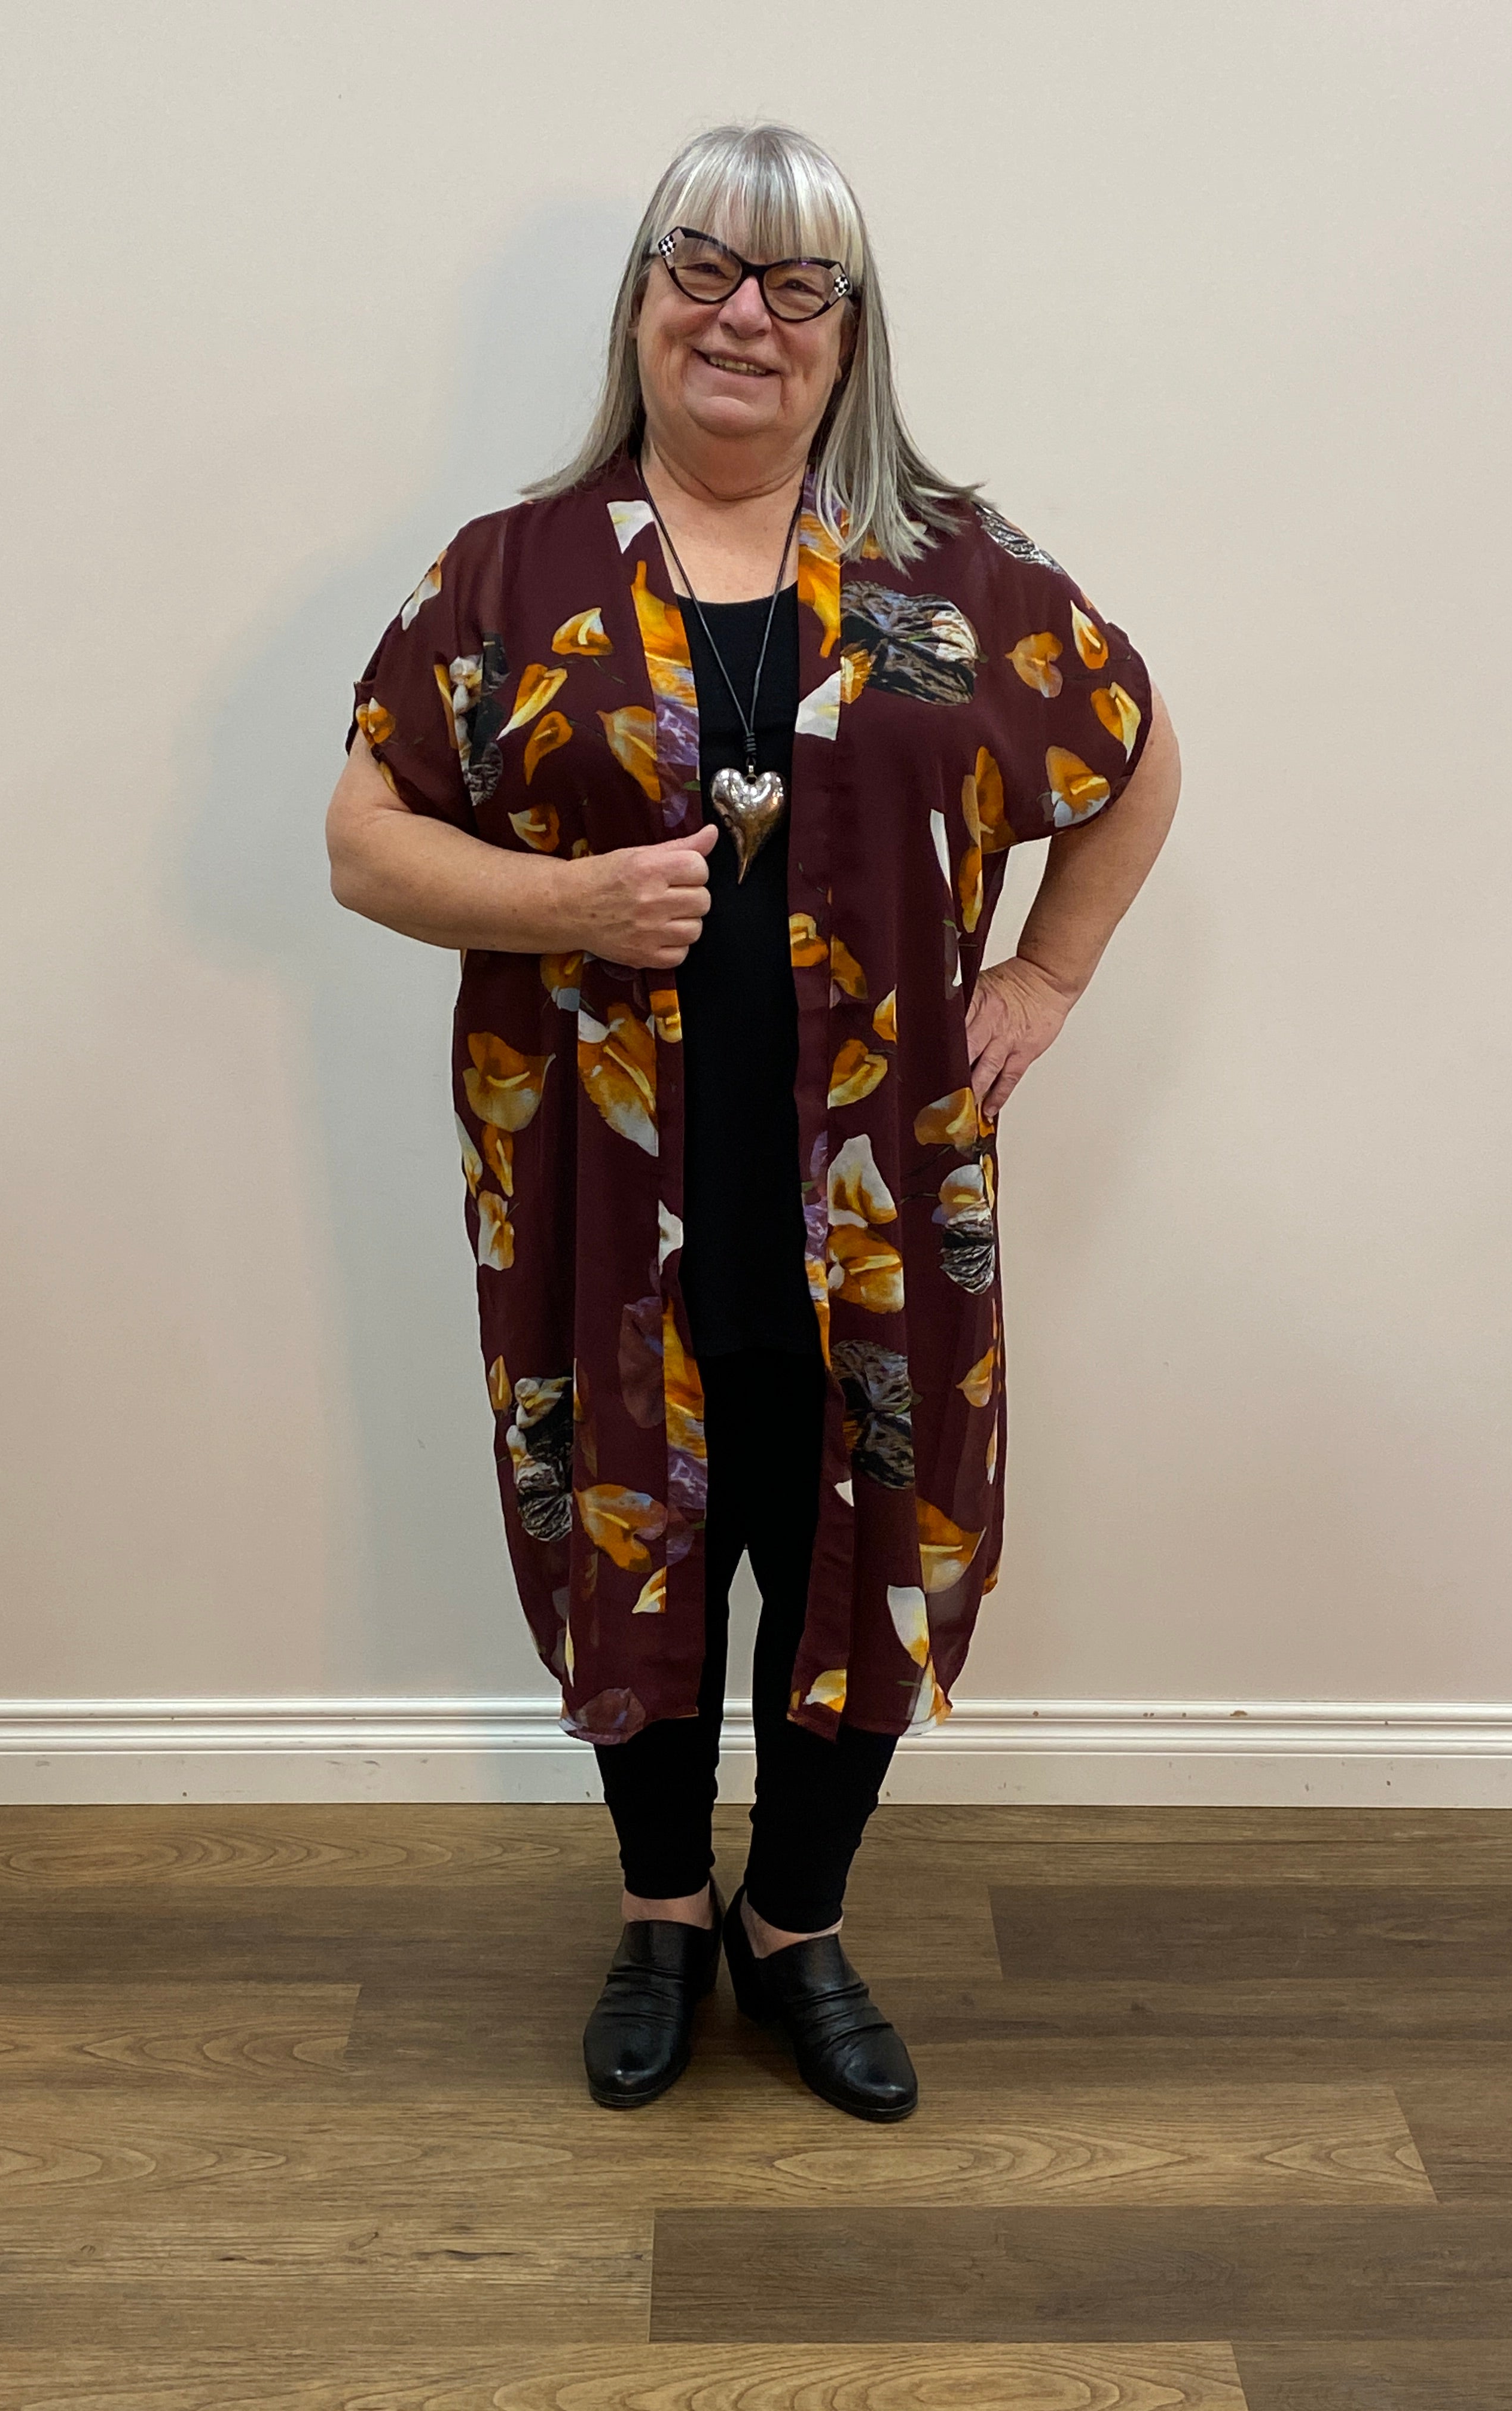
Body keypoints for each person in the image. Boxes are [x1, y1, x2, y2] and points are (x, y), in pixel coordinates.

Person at [326, 122, 1181, 2123]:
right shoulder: (510, 574)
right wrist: (567, 901)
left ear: (849, 334)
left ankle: (796, 1923)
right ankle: (661, 1916)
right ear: (643, 299)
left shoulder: (949, 573)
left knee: (857, 1544)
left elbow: (1134, 752)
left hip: (876, 1199)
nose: (744, 318)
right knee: (626, 1535)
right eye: (704, 267)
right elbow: (365, 838)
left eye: (799, 285)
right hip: (599, 1188)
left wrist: (1045, 979)